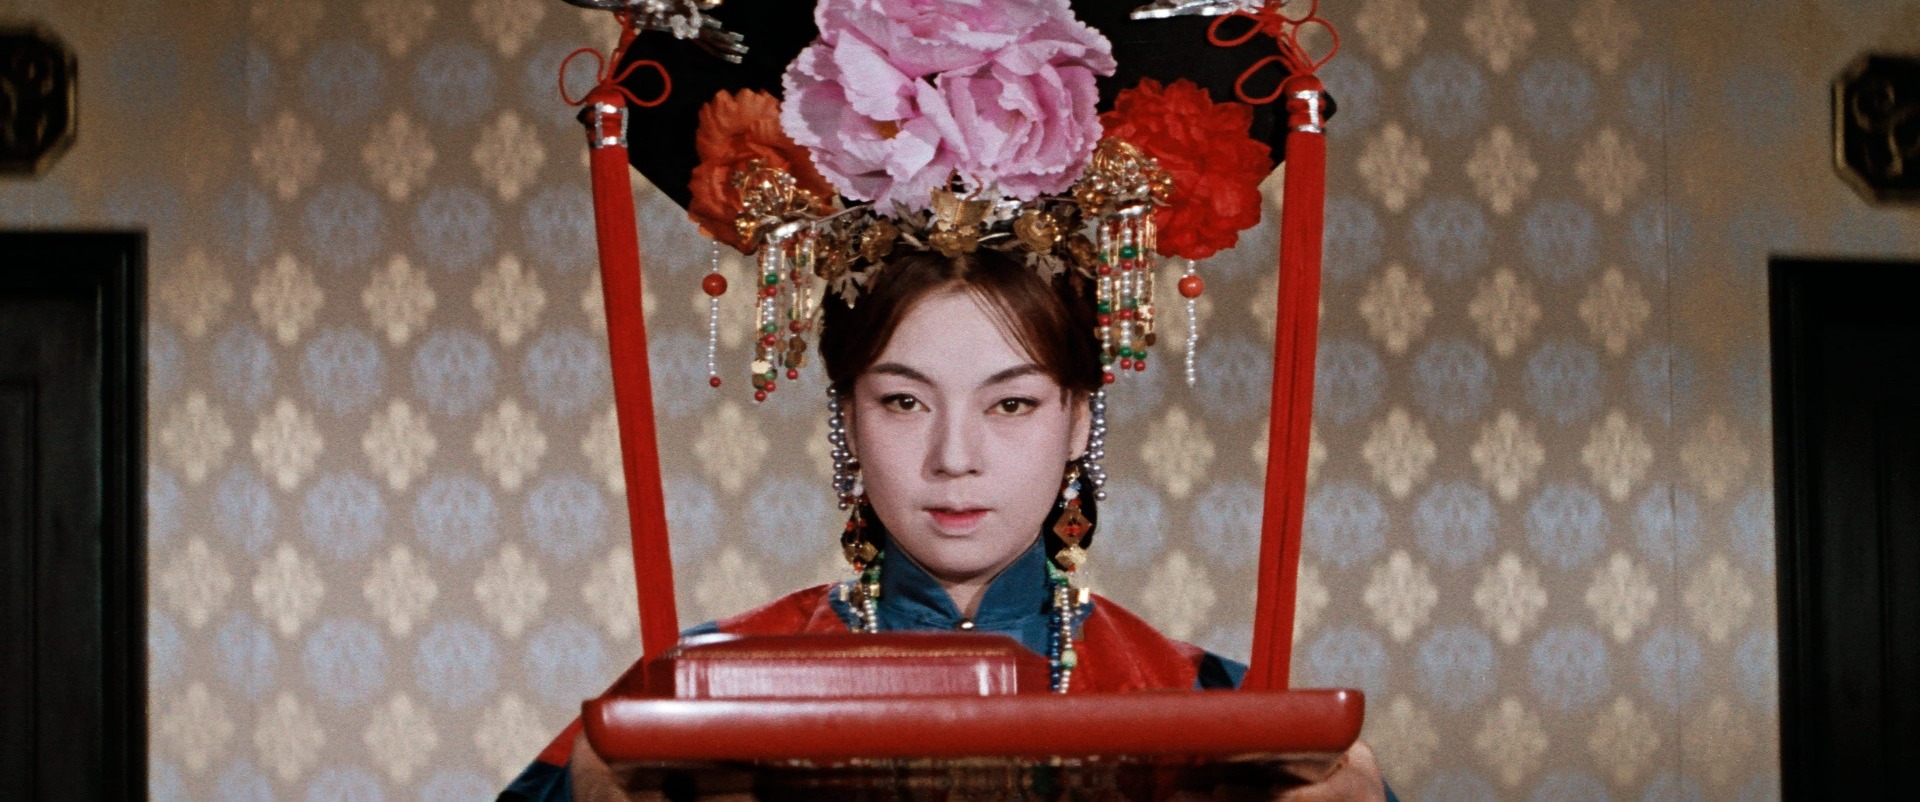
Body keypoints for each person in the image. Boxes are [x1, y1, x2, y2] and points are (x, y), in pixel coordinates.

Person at [500, 247, 1393, 801]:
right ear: (848, 419)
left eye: (1011, 404)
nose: (954, 457)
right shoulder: (694, 689)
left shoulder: (1210, 704)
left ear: (1079, 419)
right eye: (903, 401)